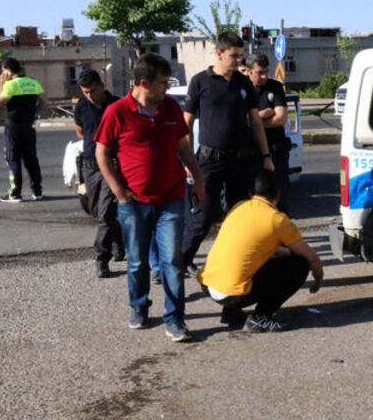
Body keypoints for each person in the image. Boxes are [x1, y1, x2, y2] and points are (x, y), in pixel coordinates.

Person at [95, 53, 206, 343]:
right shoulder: (117, 111)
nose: (166, 88)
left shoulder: (170, 107)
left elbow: (183, 146)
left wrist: (198, 178)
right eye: (162, 83)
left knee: (171, 260)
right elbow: (101, 154)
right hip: (134, 202)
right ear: (143, 83)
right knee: (137, 262)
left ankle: (175, 318)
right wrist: (119, 192)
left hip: (171, 197)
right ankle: (139, 306)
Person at [180, 32, 273, 275]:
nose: (239, 61)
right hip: (209, 161)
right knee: (203, 216)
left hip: (240, 161)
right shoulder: (201, 81)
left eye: (241, 56)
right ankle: (178, 265)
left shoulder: (243, 83)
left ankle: (234, 263)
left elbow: (255, 121)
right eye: (234, 56)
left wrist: (266, 156)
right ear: (219, 53)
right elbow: (186, 123)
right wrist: (188, 160)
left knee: (237, 215)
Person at [197, 169, 323, 332]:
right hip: (231, 294)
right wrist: (318, 279)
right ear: (278, 194)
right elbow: (311, 257)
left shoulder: (239, 206)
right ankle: (261, 317)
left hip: (209, 284)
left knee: (251, 258)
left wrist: (286, 252)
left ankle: (231, 312)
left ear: (251, 193)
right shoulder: (276, 220)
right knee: (300, 264)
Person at [73, 69, 124, 278]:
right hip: (89, 165)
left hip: (111, 164)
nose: (90, 95)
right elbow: (80, 131)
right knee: (98, 212)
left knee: (106, 212)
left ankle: (101, 258)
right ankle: (119, 241)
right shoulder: (81, 107)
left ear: (102, 85)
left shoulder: (117, 105)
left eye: (93, 90)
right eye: (86, 92)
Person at [0, 57, 47, 202]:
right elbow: (45, 102)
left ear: (7, 69)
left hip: (14, 125)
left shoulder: (10, 85)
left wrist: (1, 85)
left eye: (3, 70)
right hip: (29, 125)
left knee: (13, 158)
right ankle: (37, 191)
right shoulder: (33, 82)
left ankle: (15, 193)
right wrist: (34, 112)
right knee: (31, 158)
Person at [245, 53, 291, 210]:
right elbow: (241, 122)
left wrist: (254, 121)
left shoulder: (275, 87)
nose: (265, 76)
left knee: (279, 194)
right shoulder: (242, 89)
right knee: (253, 197)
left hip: (276, 149)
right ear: (248, 71)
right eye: (260, 72)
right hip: (252, 151)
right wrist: (262, 115)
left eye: (266, 71)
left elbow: (281, 118)